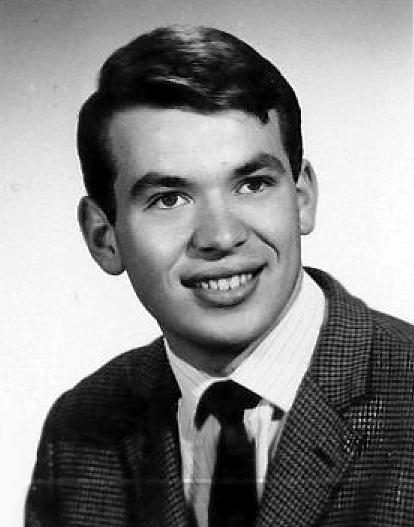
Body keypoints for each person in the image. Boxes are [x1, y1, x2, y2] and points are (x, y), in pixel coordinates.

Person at [25, 25, 414, 527]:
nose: (221, 236)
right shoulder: (80, 430)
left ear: (302, 200)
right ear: (104, 238)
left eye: (252, 185)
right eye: (169, 199)